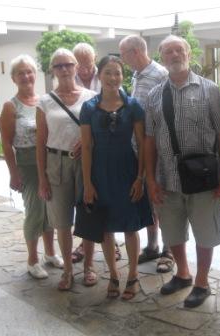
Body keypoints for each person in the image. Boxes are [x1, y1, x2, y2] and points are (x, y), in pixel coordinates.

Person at [145, 35, 220, 308]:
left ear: (188, 53)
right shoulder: (154, 95)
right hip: (168, 179)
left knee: (205, 233)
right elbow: (149, 141)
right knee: (173, 232)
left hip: (204, 179)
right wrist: (151, 179)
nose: (174, 55)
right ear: (162, 58)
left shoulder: (210, 90)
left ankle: (202, 282)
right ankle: (183, 274)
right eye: (168, 51)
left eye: (178, 49)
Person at [80, 55, 153, 299]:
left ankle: (133, 275)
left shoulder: (133, 106)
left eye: (118, 73)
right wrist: (88, 183)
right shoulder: (89, 108)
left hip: (127, 172)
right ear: (99, 75)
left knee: (131, 227)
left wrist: (140, 178)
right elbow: (87, 147)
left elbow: (142, 144)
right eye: (108, 72)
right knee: (105, 228)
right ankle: (113, 274)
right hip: (100, 174)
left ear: (123, 76)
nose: (113, 78)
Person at [36, 48, 96, 290]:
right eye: (58, 66)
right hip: (56, 163)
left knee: (88, 215)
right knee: (62, 220)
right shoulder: (45, 102)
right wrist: (42, 178)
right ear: (52, 70)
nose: (64, 70)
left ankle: (89, 266)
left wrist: (89, 140)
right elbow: (40, 143)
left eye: (68, 64)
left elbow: (100, 131)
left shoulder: (91, 96)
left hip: (86, 163)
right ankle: (68, 271)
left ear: (76, 67)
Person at [0, 54, 63, 279]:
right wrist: (13, 173)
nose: (26, 76)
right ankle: (32, 260)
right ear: (14, 78)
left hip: (49, 161)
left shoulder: (45, 100)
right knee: (35, 210)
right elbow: (6, 143)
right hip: (27, 164)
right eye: (21, 73)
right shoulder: (11, 106)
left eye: (29, 72)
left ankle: (50, 254)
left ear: (35, 75)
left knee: (50, 211)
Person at [119, 35, 174, 273]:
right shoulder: (137, 75)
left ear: (135, 52)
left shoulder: (160, 74)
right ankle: (152, 246)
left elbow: (167, 113)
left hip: (159, 149)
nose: (122, 60)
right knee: (149, 200)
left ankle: (169, 251)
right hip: (140, 149)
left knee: (164, 201)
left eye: (123, 55)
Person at [72, 42, 122, 264]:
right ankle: (87, 244)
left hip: (109, 152)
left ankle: (113, 243)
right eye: (79, 64)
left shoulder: (107, 76)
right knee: (90, 202)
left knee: (111, 202)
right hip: (83, 146)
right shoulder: (69, 79)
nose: (83, 68)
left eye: (87, 63)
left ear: (94, 61)